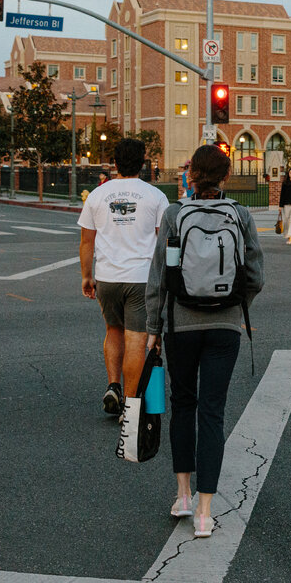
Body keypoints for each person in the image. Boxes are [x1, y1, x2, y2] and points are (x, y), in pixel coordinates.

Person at [146, 145, 264, 539]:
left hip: (180, 326)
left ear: (191, 175)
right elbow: (255, 275)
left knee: (183, 405)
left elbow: (159, 276)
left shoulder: (175, 215)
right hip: (225, 327)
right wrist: (234, 304)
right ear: (226, 176)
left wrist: (152, 326)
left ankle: (182, 494)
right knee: (212, 412)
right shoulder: (241, 215)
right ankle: (205, 511)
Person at [80, 137, 169, 416]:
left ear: (115, 163)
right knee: (136, 341)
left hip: (107, 277)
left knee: (113, 331)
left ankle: (114, 385)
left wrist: (87, 276)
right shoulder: (155, 196)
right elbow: (164, 241)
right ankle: (130, 407)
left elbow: (86, 241)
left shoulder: (97, 195)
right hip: (141, 278)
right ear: (143, 163)